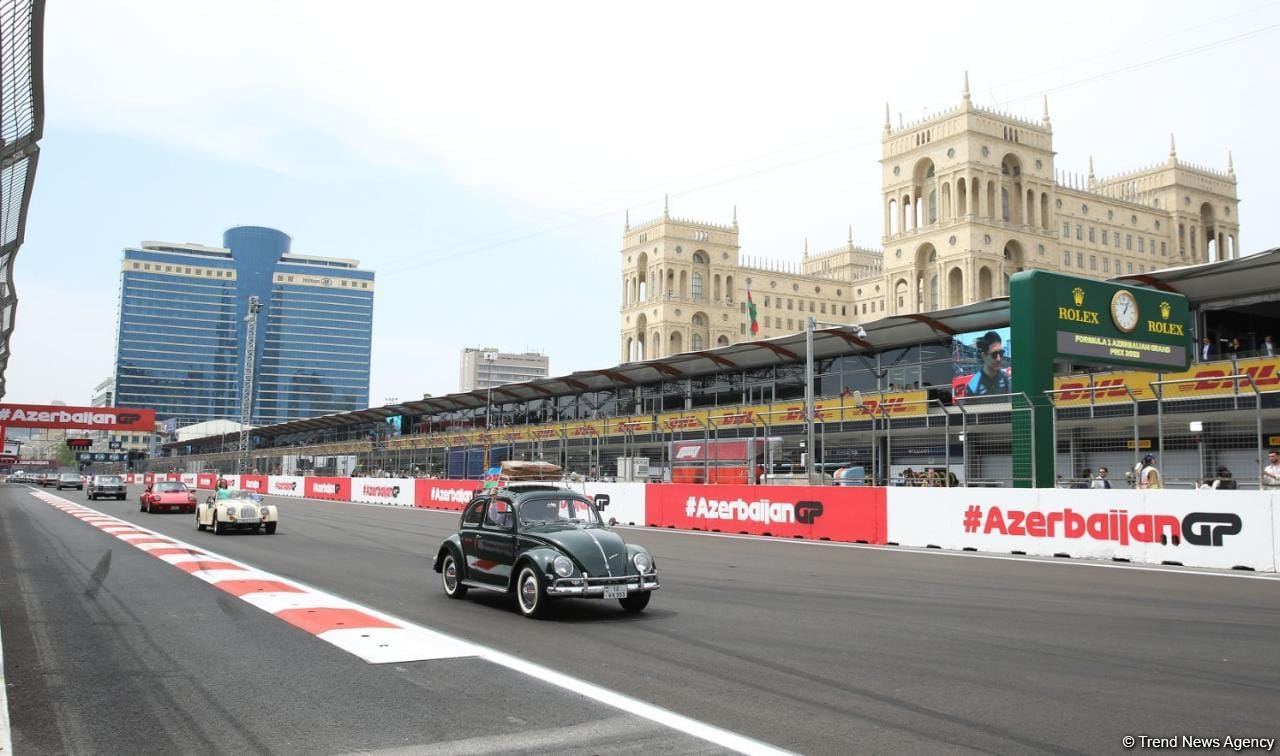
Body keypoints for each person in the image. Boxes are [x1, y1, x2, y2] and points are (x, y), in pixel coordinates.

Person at [966, 331, 1011, 396]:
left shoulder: (1005, 378)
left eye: (1001, 353)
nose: (999, 359)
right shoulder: (973, 386)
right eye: (994, 354)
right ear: (984, 356)